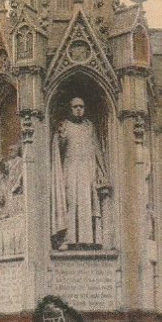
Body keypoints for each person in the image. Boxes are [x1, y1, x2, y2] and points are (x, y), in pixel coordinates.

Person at [51, 98, 109, 249]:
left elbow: (96, 149)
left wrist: (102, 172)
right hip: (70, 170)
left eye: (81, 107)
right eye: (75, 107)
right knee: (72, 204)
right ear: (70, 109)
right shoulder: (64, 126)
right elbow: (58, 149)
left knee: (87, 203)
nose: (78, 109)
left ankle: (88, 239)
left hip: (87, 170)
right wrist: (59, 137)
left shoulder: (89, 127)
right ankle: (68, 239)